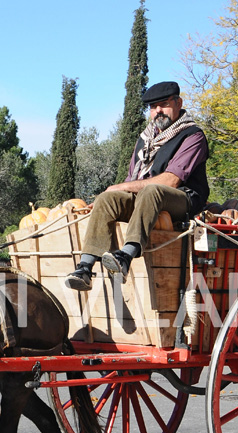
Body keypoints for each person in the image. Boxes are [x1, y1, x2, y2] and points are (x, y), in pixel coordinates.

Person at [66, 81, 209, 291]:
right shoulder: (145, 139)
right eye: (153, 107)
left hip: (182, 199)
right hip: (148, 200)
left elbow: (171, 181)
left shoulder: (192, 135)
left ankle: (125, 256)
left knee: (151, 190)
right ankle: (85, 268)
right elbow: (131, 179)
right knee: (107, 199)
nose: (158, 111)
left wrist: (120, 187)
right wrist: (112, 193)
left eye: (164, 104)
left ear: (178, 103)